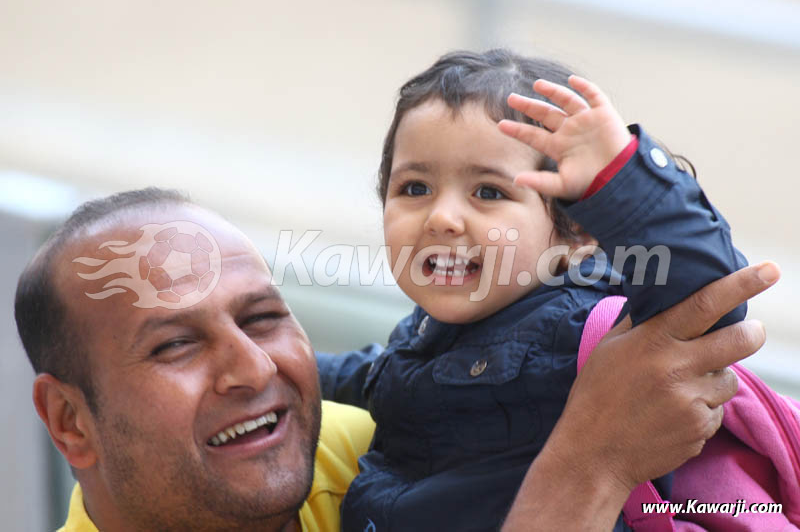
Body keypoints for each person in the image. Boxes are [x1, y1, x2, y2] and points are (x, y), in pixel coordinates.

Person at [14, 188, 777, 531]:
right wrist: (591, 463)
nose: (251, 369)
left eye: (264, 317)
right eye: (175, 343)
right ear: (71, 420)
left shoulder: (355, 446)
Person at [315, 49, 748, 531]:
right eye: (415, 188)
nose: (441, 218)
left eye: (489, 192)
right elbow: (376, 379)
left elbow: (707, 301)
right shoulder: (422, 335)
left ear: (577, 234)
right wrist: (270, 362)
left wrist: (622, 182)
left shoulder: (581, 329)